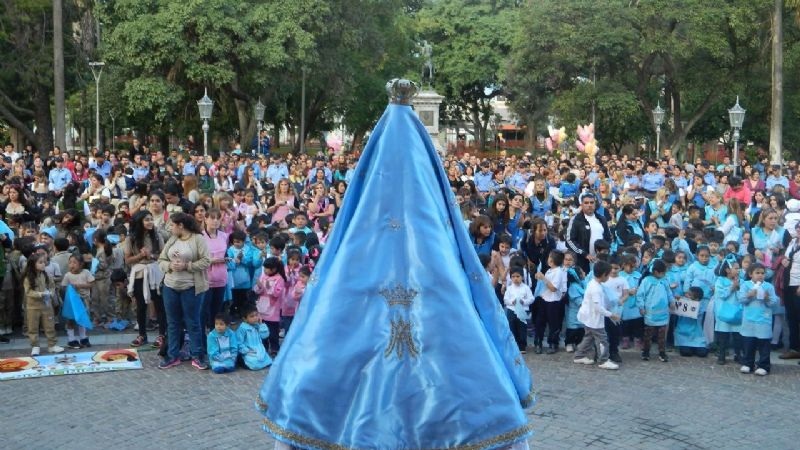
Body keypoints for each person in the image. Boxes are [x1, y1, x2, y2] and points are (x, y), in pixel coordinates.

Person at [157, 212, 210, 370]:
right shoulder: (173, 239)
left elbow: (206, 260)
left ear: (181, 226)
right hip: (170, 286)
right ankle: (173, 355)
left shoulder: (197, 239)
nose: (170, 228)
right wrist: (169, 266)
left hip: (191, 287)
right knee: (173, 323)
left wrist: (187, 266)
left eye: (172, 225)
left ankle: (197, 355)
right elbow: (161, 260)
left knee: (193, 322)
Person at [124, 210, 166, 348]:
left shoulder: (157, 236)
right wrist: (140, 256)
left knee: (159, 304)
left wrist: (151, 256)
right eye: (147, 220)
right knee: (140, 305)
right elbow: (128, 259)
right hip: (139, 273)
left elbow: (163, 255)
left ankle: (162, 335)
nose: (150, 222)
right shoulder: (131, 239)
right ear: (140, 222)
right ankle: (142, 334)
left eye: (151, 219)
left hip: (155, 272)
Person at [573, 261, 619, 369]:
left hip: (589, 318)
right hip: (594, 320)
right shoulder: (596, 289)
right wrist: (611, 315)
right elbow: (598, 308)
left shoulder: (593, 283)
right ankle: (603, 360)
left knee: (588, 338)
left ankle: (579, 355)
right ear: (604, 275)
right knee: (603, 340)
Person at [738, 263, 778, 376]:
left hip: (763, 321)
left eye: (762, 273)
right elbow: (741, 299)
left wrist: (766, 297)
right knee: (748, 343)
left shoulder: (769, 286)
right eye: (757, 273)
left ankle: (763, 365)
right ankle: (748, 363)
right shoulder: (746, 285)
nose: (760, 275)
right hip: (749, 320)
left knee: (764, 344)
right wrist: (749, 295)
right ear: (751, 274)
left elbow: (774, 302)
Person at [24, 253, 63, 356]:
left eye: (44, 262)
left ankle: (52, 345)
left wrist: (50, 293)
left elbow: (52, 286)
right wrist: (40, 294)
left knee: (50, 325)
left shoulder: (46, 275)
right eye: (40, 262)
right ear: (33, 264)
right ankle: (35, 346)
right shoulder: (28, 278)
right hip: (33, 307)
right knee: (33, 327)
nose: (43, 264)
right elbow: (28, 292)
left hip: (47, 305)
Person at [636, 260, 673, 362]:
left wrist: (672, 301)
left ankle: (662, 352)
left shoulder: (664, 281)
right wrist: (641, 307)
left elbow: (669, 292)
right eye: (663, 273)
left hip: (663, 314)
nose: (664, 274)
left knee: (662, 336)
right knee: (648, 335)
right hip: (650, 314)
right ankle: (646, 351)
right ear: (656, 272)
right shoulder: (647, 281)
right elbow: (640, 295)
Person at [566, 192, 612, 273]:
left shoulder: (602, 219)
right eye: (586, 203)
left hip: (600, 261)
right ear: (582, 205)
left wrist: (605, 251)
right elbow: (569, 240)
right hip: (582, 261)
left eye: (592, 202)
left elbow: (608, 238)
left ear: (595, 204)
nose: (589, 205)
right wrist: (584, 254)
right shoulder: (575, 219)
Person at [532, 250, 566, 354]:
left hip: (554, 301)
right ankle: (538, 343)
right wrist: (539, 277)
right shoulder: (549, 271)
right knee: (539, 322)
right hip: (544, 299)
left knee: (553, 324)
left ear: (551, 260)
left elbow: (553, 288)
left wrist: (544, 278)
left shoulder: (559, 272)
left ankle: (553, 343)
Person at [254, 257, 286, 356]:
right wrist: (259, 287)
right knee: (262, 330)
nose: (264, 270)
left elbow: (277, 293)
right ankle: (264, 347)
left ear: (274, 269)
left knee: (272, 332)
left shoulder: (279, 279)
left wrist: (269, 288)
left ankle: (275, 348)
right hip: (262, 307)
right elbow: (257, 291)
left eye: (266, 268)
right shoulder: (263, 276)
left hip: (273, 310)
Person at [61, 254, 94, 349]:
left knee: (82, 318)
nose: (72, 265)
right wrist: (69, 289)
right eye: (70, 262)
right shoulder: (68, 275)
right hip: (72, 302)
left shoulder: (86, 272)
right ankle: (71, 339)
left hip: (84, 300)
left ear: (81, 264)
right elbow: (63, 287)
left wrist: (79, 285)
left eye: (74, 262)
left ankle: (83, 337)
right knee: (70, 320)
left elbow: (91, 284)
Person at [713, 257, 742, 365]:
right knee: (723, 335)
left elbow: (742, 296)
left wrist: (738, 288)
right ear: (727, 270)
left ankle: (738, 354)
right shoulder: (720, 281)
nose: (738, 270)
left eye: (739, 268)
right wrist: (732, 287)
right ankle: (721, 354)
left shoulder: (741, 281)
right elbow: (721, 294)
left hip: (736, 312)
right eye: (736, 268)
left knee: (737, 335)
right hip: (723, 312)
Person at [504, 266, 535, 354]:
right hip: (511, 311)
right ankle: (514, 345)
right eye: (513, 277)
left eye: (518, 276)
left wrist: (524, 301)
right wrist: (511, 302)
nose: (515, 279)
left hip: (522, 310)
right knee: (512, 327)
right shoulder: (509, 288)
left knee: (522, 328)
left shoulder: (526, 288)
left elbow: (531, 298)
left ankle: (522, 346)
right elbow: (505, 299)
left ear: (522, 277)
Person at [236, 304, 272, 370]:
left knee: (267, 361)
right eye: (252, 316)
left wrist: (261, 325)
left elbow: (265, 336)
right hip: (248, 351)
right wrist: (246, 351)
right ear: (245, 319)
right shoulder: (242, 329)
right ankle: (242, 361)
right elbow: (239, 342)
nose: (255, 318)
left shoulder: (258, 326)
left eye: (256, 315)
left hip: (259, 349)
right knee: (254, 363)